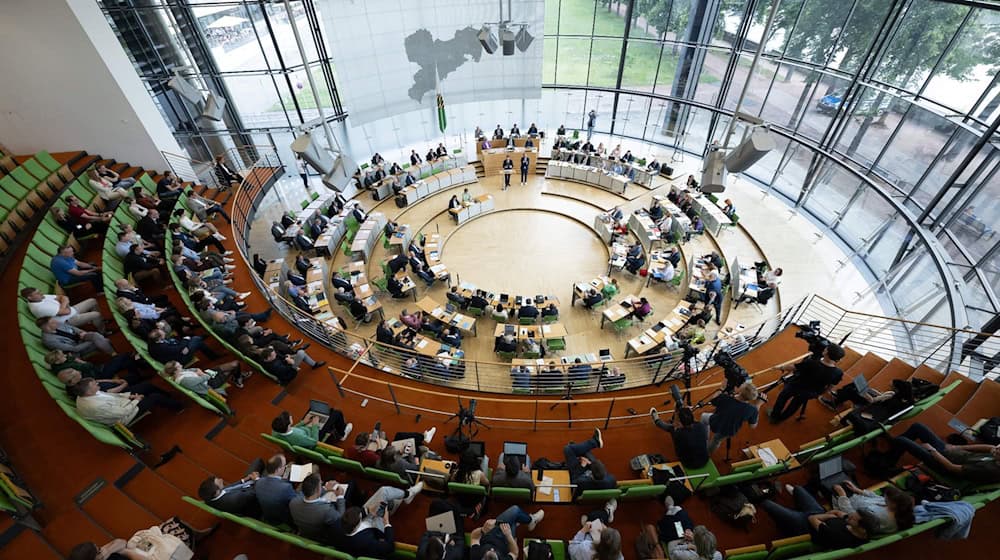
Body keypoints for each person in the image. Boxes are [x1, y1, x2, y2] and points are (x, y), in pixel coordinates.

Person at [761, 484, 875, 549]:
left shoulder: (838, 537)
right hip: (819, 514)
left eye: (853, 518)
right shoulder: (853, 524)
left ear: (862, 529)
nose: (850, 516)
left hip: (804, 526)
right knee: (798, 489)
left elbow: (812, 519)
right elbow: (838, 513)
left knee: (767, 504)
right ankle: (794, 509)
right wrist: (827, 516)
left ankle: (784, 523)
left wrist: (828, 516)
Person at [887, 422, 1000, 484]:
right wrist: (956, 447)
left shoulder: (989, 470)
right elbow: (990, 447)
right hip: (950, 453)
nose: (996, 449)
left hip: (942, 465)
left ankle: (886, 466)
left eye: (998, 450)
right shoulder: (996, 454)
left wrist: (933, 451)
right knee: (918, 427)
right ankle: (889, 460)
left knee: (901, 440)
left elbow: (951, 468)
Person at [768, 344, 845, 423]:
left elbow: (793, 367)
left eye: (825, 349)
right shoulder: (838, 373)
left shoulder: (811, 362)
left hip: (795, 385)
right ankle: (782, 418)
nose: (824, 350)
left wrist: (781, 367)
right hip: (810, 392)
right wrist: (820, 393)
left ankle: (774, 415)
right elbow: (831, 386)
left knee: (782, 397)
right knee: (795, 405)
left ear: (826, 353)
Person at [72, 377, 183, 425]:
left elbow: (111, 395)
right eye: (95, 385)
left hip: (121, 404)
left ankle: (168, 397)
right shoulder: (95, 405)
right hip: (123, 417)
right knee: (155, 397)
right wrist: (137, 400)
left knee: (146, 386)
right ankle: (179, 407)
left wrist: (129, 397)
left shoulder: (86, 393)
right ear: (88, 392)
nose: (98, 384)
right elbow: (122, 413)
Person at [832, 480, 914, 534]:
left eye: (886, 498)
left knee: (831, 484)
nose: (884, 498)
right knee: (844, 479)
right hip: (855, 498)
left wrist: (842, 495)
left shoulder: (878, 517)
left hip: (845, 504)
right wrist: (857, 490)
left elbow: (851, 515)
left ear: (894, 504)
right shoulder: (896, 508)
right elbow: (876, 497)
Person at [700, 382, 762, 453]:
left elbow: (713, 400)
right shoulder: (752, 409)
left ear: (740, 391)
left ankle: (704, 440)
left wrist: (721, 389)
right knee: (716, 440)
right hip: (729, 429)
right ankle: (708, 452)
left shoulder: (725, 398)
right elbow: (753, 426)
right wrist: (758, 405)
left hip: (716, 421)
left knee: (703, 416)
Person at [469, 506, 545, 560]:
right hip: (506, 542)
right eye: (493, 552)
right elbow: (515, 553)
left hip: (489, 535)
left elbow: (474, 537)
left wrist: (483, 530)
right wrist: (509, 536)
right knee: (515, 513)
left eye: (488, 552)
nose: (492, 549)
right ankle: (531, 520)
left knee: (514, 513)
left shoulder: (475, 556)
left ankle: (527, 521)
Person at [197, 460, 265, 517]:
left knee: (258, 462)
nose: (221, 479)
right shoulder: (234, 499)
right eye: (219, 481)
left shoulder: (210, 497)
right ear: (216, 492)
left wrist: (244, 480)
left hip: (244, 490)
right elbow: (255, 493)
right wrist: (257, 480)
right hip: (257, 499)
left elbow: (230, 488)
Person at [22, 287, 108, 333]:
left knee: (92, 301)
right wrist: (65, 303)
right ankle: (103, 331)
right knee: (96, 314)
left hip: (71, 310)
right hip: (68, 321)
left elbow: (61, 297)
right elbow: (66, 311)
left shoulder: (41, 297)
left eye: (39, 291)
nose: (41, 293)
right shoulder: (39, 308)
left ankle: (98, 321)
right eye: (37, 293)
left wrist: (64, 303)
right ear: (30, 297)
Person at [565, 429, 616, 498]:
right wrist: (589, 464)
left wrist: (582, 466)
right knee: (583, 452)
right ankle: (592, 443)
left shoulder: (583, 482)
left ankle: (593, 442)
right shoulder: (611, 480)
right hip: (592, 471)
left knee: (568, 449)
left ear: (592, 474)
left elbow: (574, 479)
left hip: (579, 472)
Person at [255, 454, 299, 525]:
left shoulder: (259, 482)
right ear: (278, 469)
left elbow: (279, 483)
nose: (285, 467)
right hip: (284, 519)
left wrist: (288, 469)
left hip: (268, 516)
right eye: (285, 465)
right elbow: (296, 502)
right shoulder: (286, 487)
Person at [38, 316, 116, 355]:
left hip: (80, 338)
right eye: (53, 322)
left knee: (96, 336)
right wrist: (91, 339)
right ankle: (112, 351)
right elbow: (74, 349)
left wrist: (82, 332)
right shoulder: (49, 340)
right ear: (47, 327)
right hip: (77, 349)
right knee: (98, 338)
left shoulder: (57, 324)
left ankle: (113, 352)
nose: (57, 322)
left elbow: (72, 328)